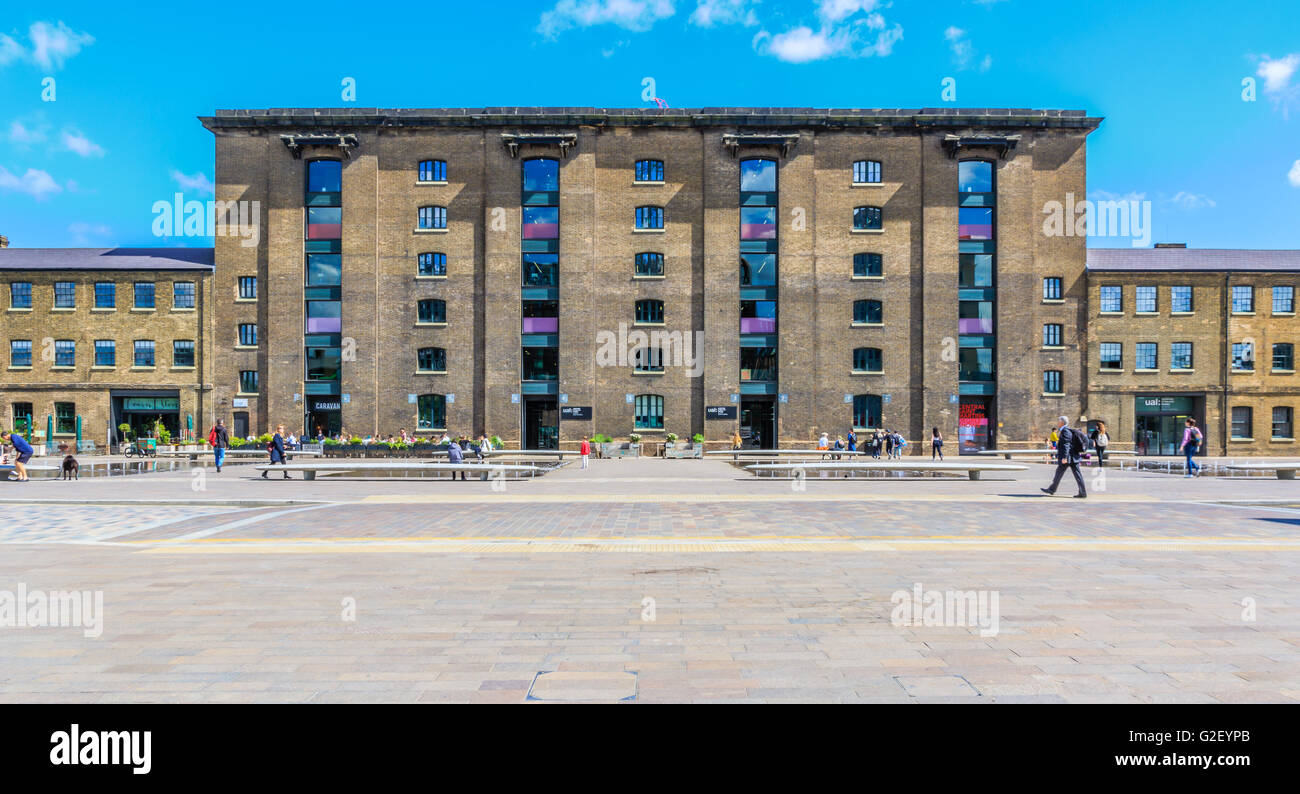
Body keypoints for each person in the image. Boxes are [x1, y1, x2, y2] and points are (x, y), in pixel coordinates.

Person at [1041, 415, 1087, 498]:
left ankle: (1052, 489)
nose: (1058, 423)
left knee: (1061, 473)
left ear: (1062, 422)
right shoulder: (1065, 430)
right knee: (1068, 474)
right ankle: (1082, 492)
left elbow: (1066, 445)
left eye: (1058, 421)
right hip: (1072, 457)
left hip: (1068, 458)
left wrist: (1065, 457)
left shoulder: (1065, 431)